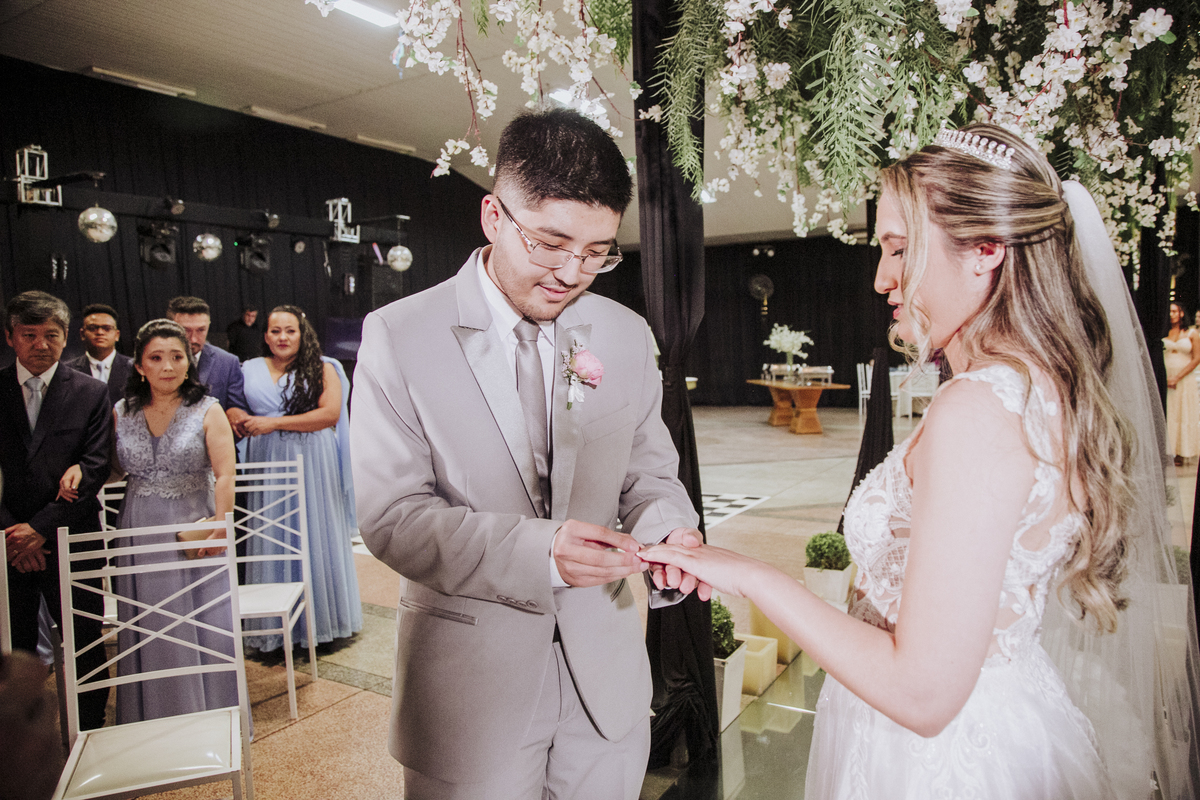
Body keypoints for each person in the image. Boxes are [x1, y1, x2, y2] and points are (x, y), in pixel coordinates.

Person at [640, 124, 1199, 799]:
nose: (882, 278)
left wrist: (748, 574)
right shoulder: (1036, 388)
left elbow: (923, 693)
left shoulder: (978, 409)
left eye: (901, 249)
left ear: (986, 250)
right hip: (997, 713)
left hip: (944, 763)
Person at [350, 108, 704, 800]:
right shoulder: (400, 334)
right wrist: (542, 554)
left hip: (606, 684)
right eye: (549, 243)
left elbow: (648, 471)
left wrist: (669, 529)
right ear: (494, 217)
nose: (572, 272)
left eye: (597, 252)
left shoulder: (625, 334)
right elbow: (393, 518)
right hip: (468, 690)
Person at [109, 319, 238, 723]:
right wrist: (80, 469)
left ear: (189, 363)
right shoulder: (122, 411)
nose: (167, 366)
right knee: (148, 616)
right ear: (139, 365)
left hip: (194, 525)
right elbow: (113, 469)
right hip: (138, 527)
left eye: (177, 357)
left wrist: (222, 527)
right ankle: (152, 716)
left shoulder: (208, 409)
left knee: (204, 617)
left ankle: (211, 715)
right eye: (156, 358)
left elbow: (226, 474)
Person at [0, 291, 111, 730]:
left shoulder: (91, 392)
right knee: (15, 646)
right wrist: (16, 534)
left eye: (51, 334)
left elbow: (95, 467)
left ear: (66, 337)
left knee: (84, 640)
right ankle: (22, 739)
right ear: (10, 337)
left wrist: (40, 529)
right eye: (29, 335)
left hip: (73, 536)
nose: (41, 344)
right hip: (8, 543)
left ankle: (90, 730)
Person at [236, 305, 362, 650]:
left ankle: (322, 622)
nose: (282, 337)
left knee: (316, 530)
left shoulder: (324, 367)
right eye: (275, 331)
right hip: (266, 459)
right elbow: (232, 405)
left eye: (290, 331)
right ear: (265, 336)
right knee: (270, 532)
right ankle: (272, 627)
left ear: (301, 334)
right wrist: (237, 415)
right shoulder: (248, 368)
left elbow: (330, 414)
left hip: (313, 459)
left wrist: (273, 423)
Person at [166, 296, 250, 430]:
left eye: (201, 330)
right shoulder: (151, 363)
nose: (193, 339)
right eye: (185, 330)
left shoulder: (227, 363)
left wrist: (234, 413)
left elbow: (237, 410)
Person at [63, 302, 134, 406]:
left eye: (107, 328)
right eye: (93, 328)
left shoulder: (135, 368)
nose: (100, 332)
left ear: (117, 335)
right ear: (82, 334)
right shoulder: (67, 370)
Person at [1163, 301, 1200, 465]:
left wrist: (1177, 377)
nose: (1171, 314)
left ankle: (1182, 451)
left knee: (1183, 412)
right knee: (1170, 412)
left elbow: (1197, 358)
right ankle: (1167, 450)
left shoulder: (1192, 333)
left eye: (1174, 311)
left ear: (1181, 313)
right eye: (1169, 311)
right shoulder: (1164, 332)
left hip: (1184, 378)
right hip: (1167, 376)